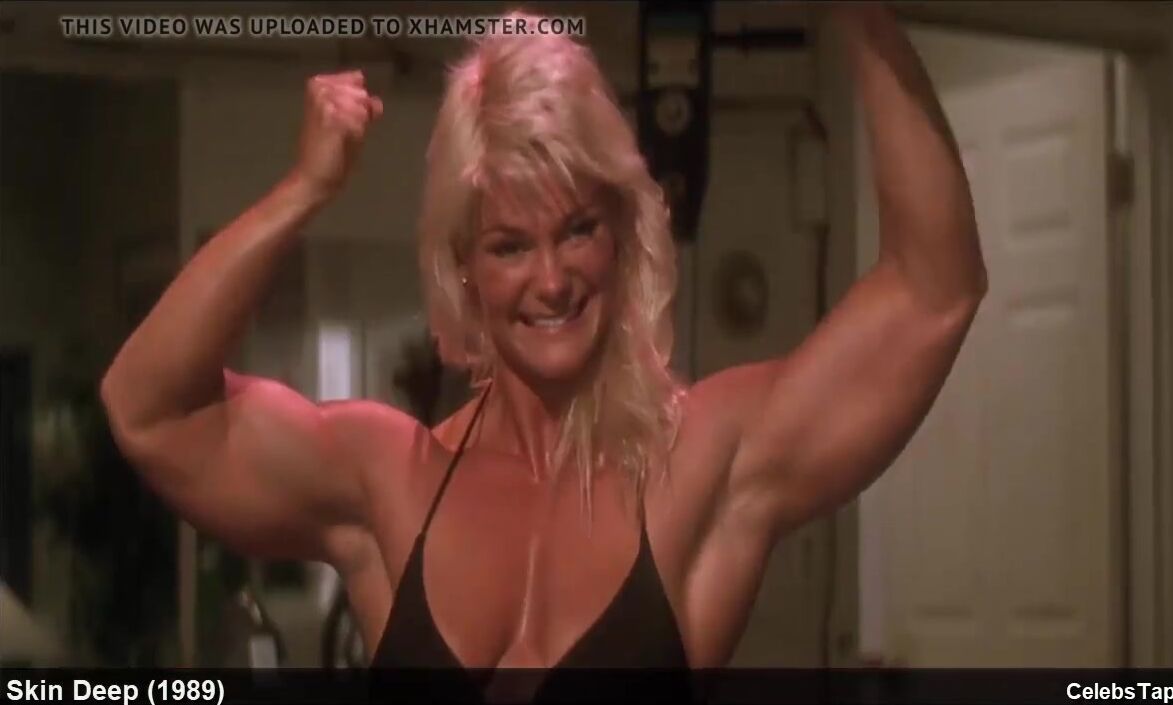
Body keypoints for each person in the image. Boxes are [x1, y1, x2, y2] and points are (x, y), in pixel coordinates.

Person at [100, 2, 985, 680]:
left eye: (576, 230)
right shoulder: (392, 481)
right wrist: (303, 190)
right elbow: (149, 409)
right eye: (509, 246)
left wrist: (860, 16)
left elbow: (933, 290)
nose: (551, 280)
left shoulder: (700, 462)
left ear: (622, 232)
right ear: (465, 268)